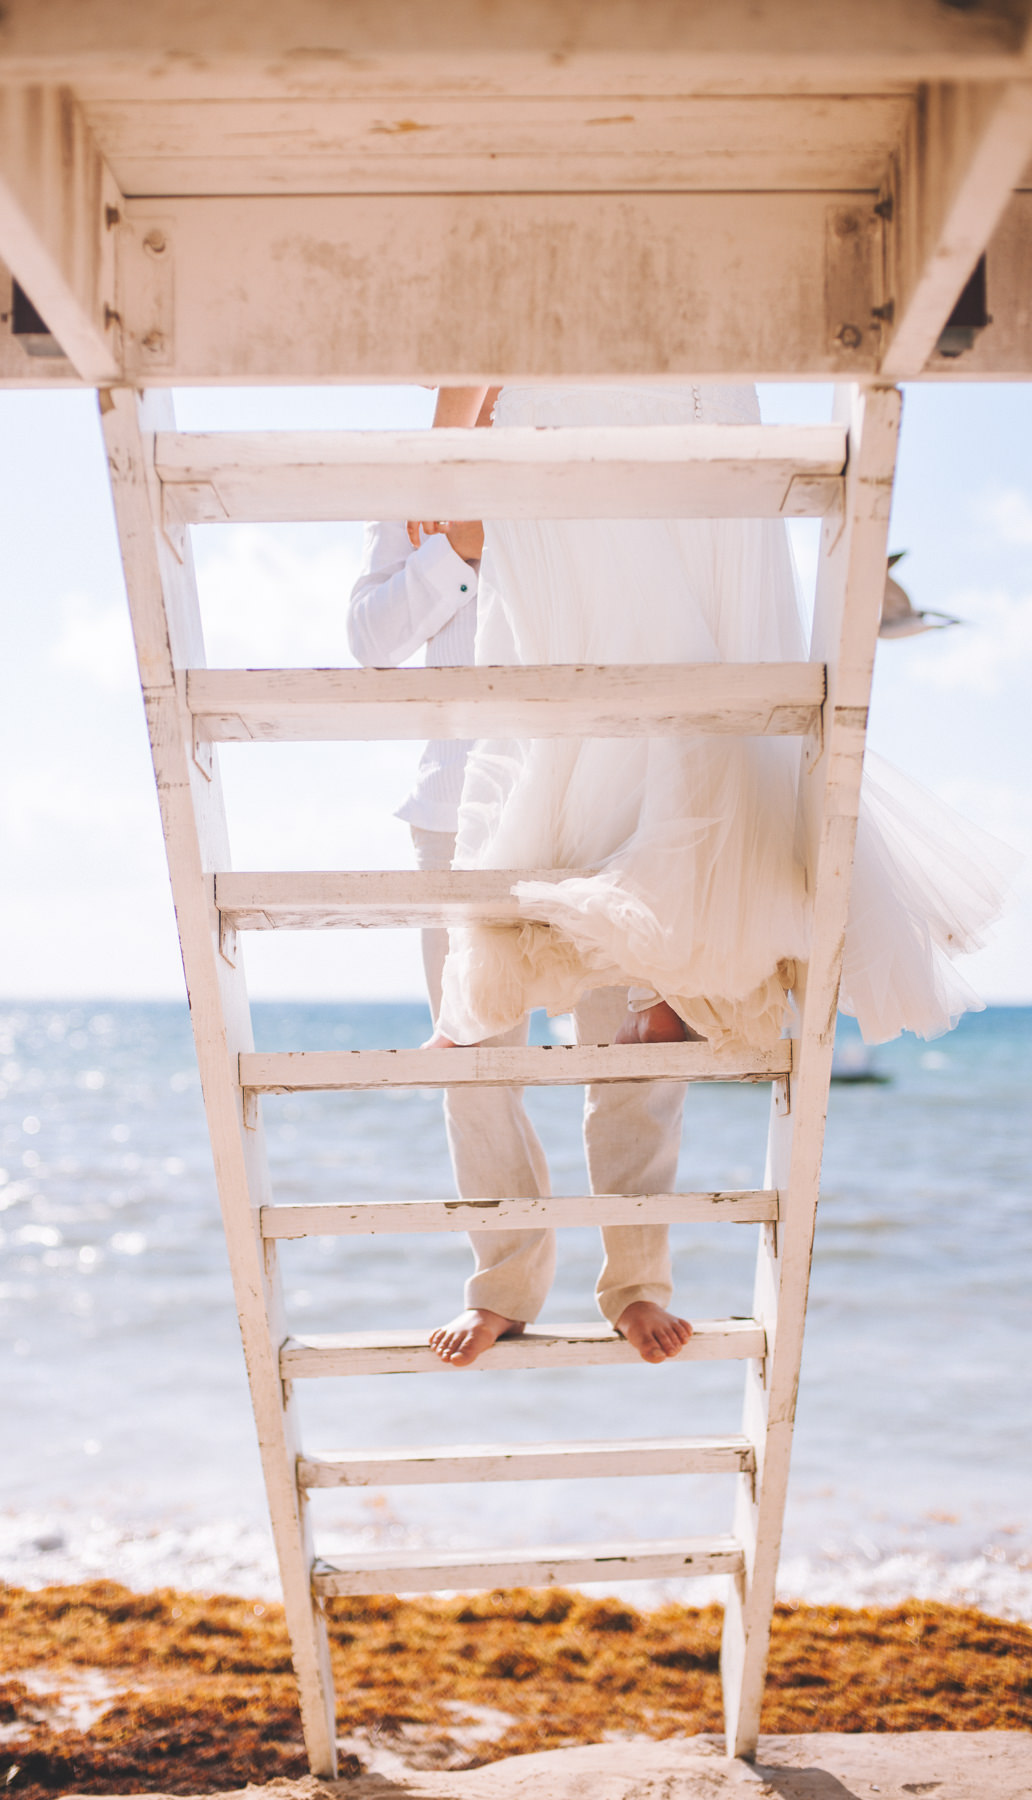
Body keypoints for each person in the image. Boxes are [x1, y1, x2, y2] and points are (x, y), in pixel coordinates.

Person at [417, 382, 1015, 1065]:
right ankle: (672, 993)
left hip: (578, 408)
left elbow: (492, 321)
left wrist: (439, 461)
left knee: (572, 670)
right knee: (692, 652)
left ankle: (511, 980)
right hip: (704, 403)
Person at [347, 391, 694, 1369]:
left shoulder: (592, 436)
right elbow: (370, 642)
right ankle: (505, 1285)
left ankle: (636, 1284)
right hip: (459, 811)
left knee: (631, 1057)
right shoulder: (409, 479)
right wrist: (455, 551)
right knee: (475, 1064)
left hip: (601, 798)